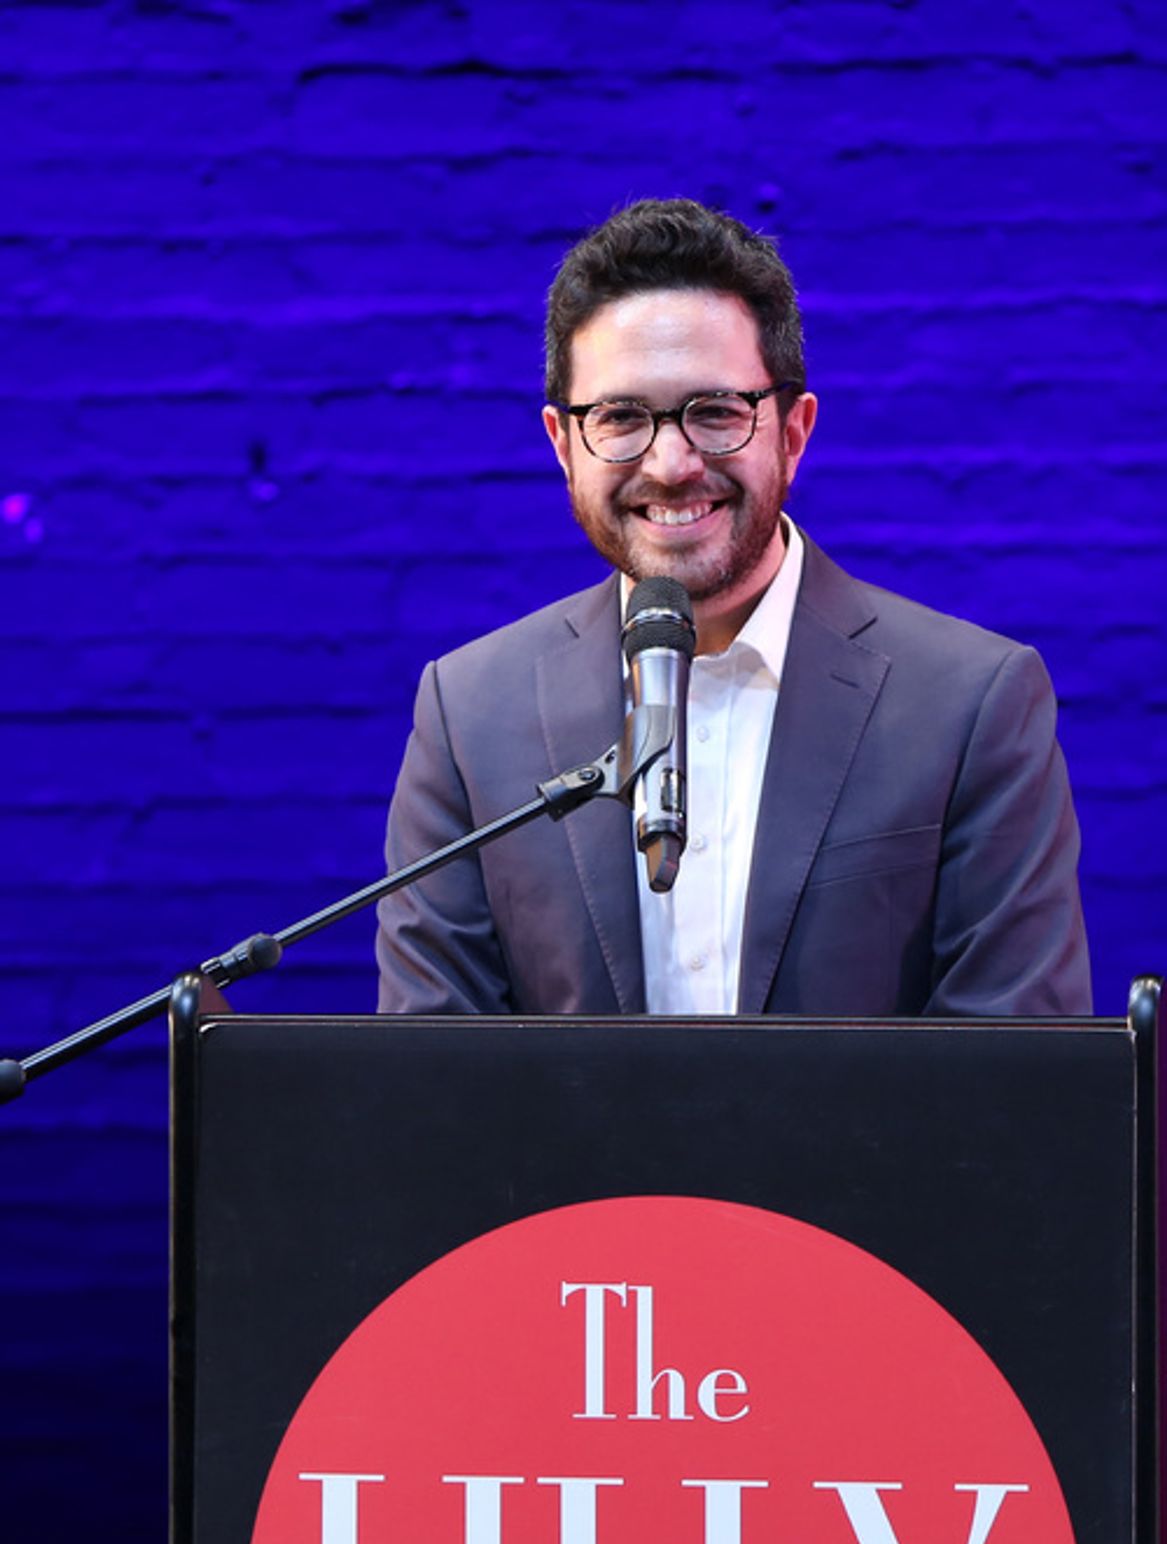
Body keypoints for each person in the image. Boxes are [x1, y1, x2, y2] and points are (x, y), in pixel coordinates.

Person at [376, 199, 1090, 1018]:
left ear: (793, 432)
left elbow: (1015, 1062)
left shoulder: (971, 703)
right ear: (562, 445)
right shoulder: (469, 714)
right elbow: (431, 1065)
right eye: (620, 417)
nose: (671, 463)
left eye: (715, 412)